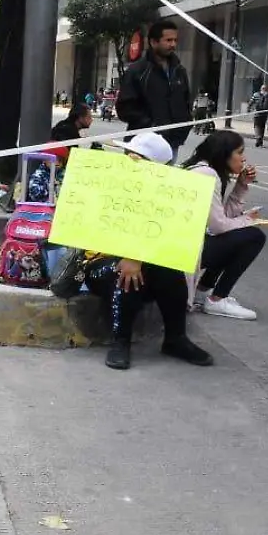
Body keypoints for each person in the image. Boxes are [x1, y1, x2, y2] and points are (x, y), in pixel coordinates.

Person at [81, 131, 214, 371]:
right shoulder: (108, 180)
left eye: (138, 156)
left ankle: (176, 338)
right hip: (98, 265)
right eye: (129, 153)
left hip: (148, 266)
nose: (130, 158)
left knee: (165, 266)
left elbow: (173, 239)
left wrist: (138, 255)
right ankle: (120, 341)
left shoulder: (168, 195)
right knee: (127, 271)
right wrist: (130, 255)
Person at [181, 130, 268, 320]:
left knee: (239, 234)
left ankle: (203, 289)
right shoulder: (206, 174)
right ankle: (217, 299)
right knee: (254, 237)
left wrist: (241, 185)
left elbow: (222, 218)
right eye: (239, 152)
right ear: (224, 153)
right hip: (183, 250)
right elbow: (219, 226)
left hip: (190, 245)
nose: (243, 159)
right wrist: (248, 220)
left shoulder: (206, 170)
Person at [116, 20, 193, 161]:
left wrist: (184, 126)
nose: (173, 44)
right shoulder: (137, 71)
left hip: (171, 146)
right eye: (168, 40)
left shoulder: (179, 71)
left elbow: (186, 101)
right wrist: (151, 125)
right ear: (153, 42)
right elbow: (124, 108)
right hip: (141, 146)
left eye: (175, 40)